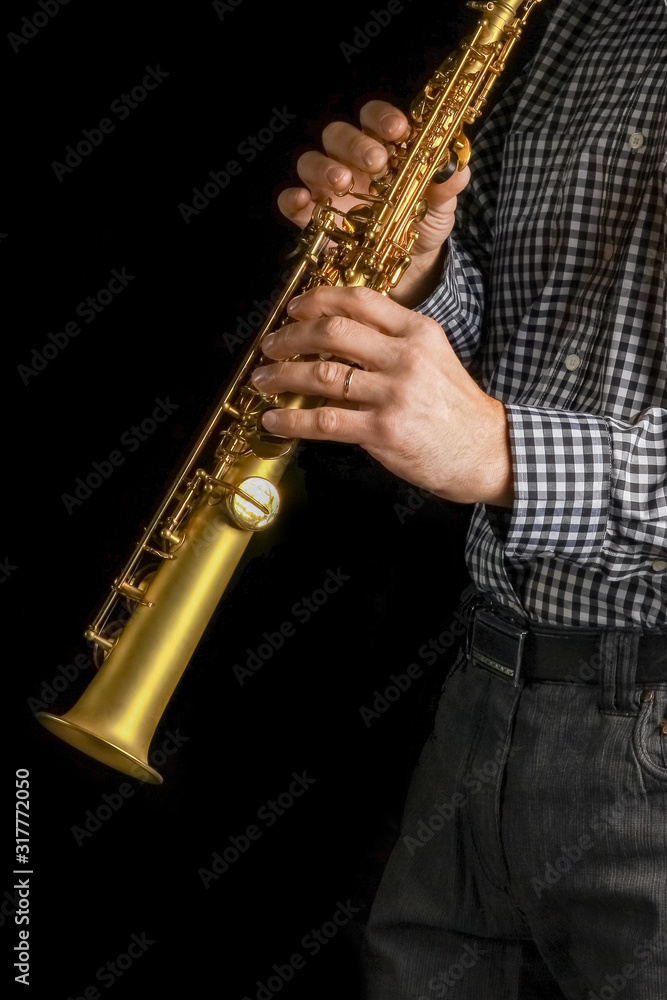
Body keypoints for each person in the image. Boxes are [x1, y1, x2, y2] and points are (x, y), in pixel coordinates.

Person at [250, 0, 667, 996]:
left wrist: (504, 449)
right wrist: (414, 263)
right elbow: (506, 335)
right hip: (483, 700)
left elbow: (491, 426)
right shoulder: (572, 23)